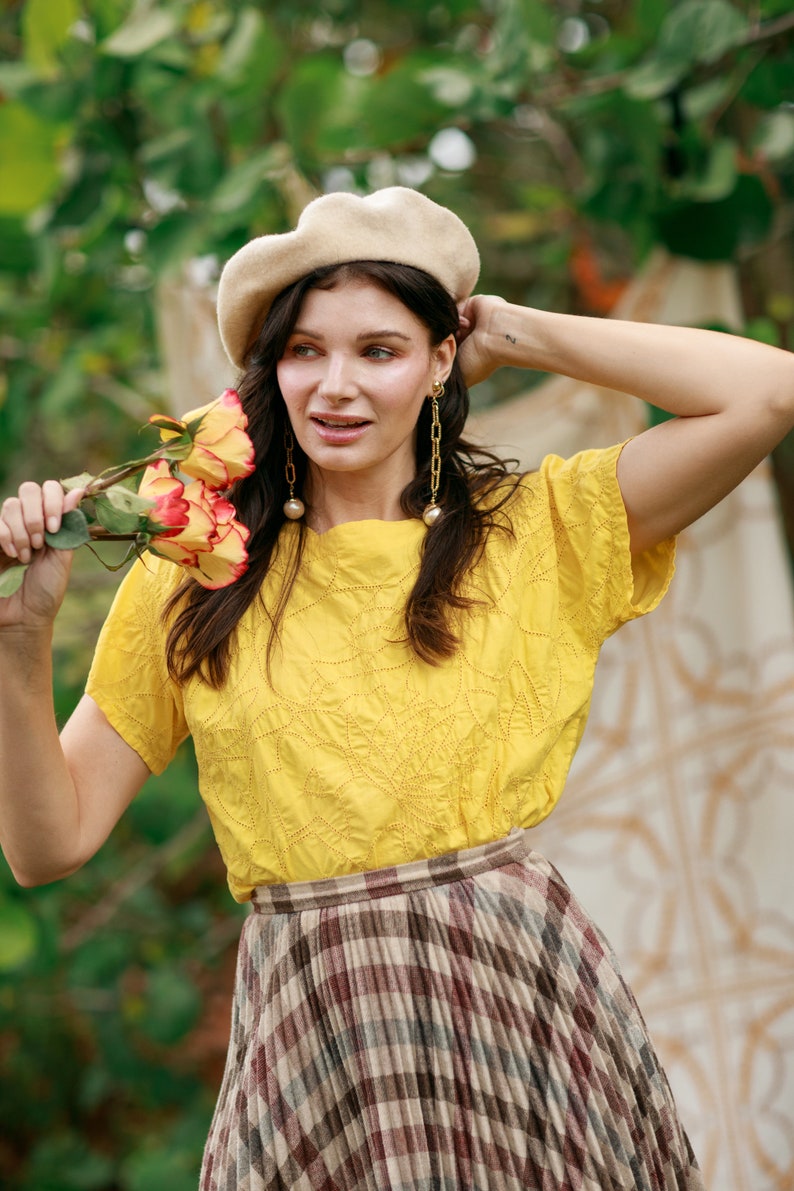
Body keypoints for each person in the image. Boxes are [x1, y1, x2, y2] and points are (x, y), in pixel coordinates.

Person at [1, 186, 793, 1191]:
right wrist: (20, 641)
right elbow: (47, 843)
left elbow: (766, 393)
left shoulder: (533, 527)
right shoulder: (199, 567)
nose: (335, 385)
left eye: (377, 349)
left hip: (518, 1003)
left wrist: (515, 328)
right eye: (303, 351)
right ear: (268, 372)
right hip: (312, 1023)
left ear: (438, 361)